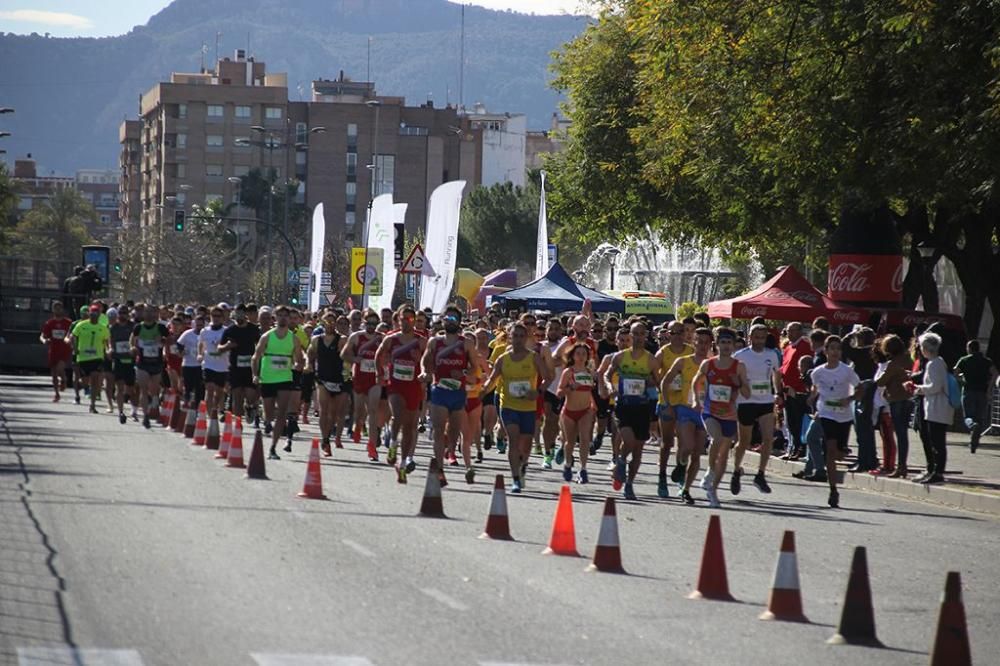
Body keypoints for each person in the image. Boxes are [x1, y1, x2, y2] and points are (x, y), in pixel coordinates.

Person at [483, 322, 549, 493]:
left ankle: (523, 466)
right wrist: (482, 390)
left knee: (525, 444)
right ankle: (515, 479)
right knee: (513, 439)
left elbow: (547, 377)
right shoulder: (502, 359)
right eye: (515, 336)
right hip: (508, 405)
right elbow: (492, 380)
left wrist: (538, 391)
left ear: (526, 338)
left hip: (528, 407)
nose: (518, 339)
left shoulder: (533, 357)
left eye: (522, 336)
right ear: (510, 337)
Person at [693, 327, 750, 508]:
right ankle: (709, 471)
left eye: (729, 343)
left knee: (724, 456)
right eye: (723, 343)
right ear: (717, 345)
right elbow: (696, 381)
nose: (726, 346)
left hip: (729, 415)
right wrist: (696, 399)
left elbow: (747, 394)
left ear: (733, 346)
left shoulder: (739, 366)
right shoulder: (708, 364)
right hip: (710, 411)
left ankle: (713, 491)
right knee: (716, 438)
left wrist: (737, 382)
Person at [603, 321, 658, 500]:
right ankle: (620, 460)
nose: (639, 337)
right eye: (635, 334)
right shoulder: (620, 357)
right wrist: (610, 386)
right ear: (630, 336)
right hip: (624, 406)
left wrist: (652, 384)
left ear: (646, 336)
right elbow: (606, 374)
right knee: (629, 440)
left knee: (638, 450)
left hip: (642, 408)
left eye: (642, 334)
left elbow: (658, 380)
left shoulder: (650, 359)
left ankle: (629, 484)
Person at [422, 305, 476, 485]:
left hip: (458, 392)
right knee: (438, 430)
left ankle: (449, 450)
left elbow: (475, 367)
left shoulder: (466, 343)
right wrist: (425, 372)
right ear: (443, 320)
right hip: (439, 390)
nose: (450, 322)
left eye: (454, 319)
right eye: (448, 318)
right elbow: (425, 360)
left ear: (459, 322)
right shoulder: (434, 342)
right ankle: (439, 469)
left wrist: (465, 374)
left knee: (453, 433)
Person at [376, 304, 428, 483]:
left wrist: (424, 370)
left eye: (410, 319)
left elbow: (427, 360)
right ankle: (392, 444)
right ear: (398, 320)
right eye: (403, 319)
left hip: (413, 386)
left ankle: (403, 463)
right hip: (395, 384)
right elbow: (378, 355)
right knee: (398, 414)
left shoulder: (421, 341)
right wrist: (380, 373)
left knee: (410, 427)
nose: (406, 322)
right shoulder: (391, 339)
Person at [661, 327, 713, 504]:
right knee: (687, 447)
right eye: (700, 342)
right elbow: (665, 381)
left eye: (706, 343)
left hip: (705, 412)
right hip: (685, 409)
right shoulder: (683, 362)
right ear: (694, 342)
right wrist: (667, 403)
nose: (703, 346)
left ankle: (686, 489)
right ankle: (681, 465)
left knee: (697, 453)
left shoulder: (713, 364)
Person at [809, 335, 862, 507]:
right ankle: (833, 490)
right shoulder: (818, 372)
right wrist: (812, 399)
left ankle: (841, 453)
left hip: (844, 415)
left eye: (838, 348)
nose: (835, 352)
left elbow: (860, 389)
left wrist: (851, 398)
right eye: (831, 348)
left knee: (838, 454)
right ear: (825, 351)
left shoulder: (847, 371)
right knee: (830, 450)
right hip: (826, 413)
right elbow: (815, 389)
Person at [731, 324, 783, 495]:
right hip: (746, 402)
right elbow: (733, 377)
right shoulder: (740, 356)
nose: (760, 340)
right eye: (757, 337)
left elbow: (776, 374)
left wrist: (778, 392)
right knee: (744, 441)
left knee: (768, 438)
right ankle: (736, 470)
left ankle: (760, 474)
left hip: (765, 401)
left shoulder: (772, 355)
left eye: (762, 337)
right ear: (750, 337)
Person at [252, 305, 305, 460]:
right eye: (280, 315)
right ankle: (267, 420)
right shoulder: (267, 336)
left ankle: (273, 448)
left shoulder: (293, 338)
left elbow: (299, 358)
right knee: (270, 414)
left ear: (289, 319)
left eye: (285, 316)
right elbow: (256, 357)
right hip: (267, 378)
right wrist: (255, 374)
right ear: (275, 318)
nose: (283, 318)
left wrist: (299, 365)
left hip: (284, 378)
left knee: (282, 412)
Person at [653, 320, 694, 497]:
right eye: (674, 333)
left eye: (680, 332)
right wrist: (660, 386)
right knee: (667, 443)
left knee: (684, 444)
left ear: (685, 333)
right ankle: (662, 476)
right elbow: (653, 372)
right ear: (668, 334)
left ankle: (681, 477)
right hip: (667, 402)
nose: (677, 336)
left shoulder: (691, 351)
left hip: (685, 403)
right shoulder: (663, 352)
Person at [911, 332, 954, 483]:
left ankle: (938, 471)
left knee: (937, 442)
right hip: (938, 407)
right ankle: (935, 469)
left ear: (925, 348)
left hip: (937, 408)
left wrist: (918, 389)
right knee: (936, 441)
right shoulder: (939, 362)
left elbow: (935, 386)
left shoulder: (933, 364)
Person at [343, 309, 384, 461]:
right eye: (369, 323)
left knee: (372, 410)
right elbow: (344, 355)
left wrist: (383, 365)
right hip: (359, 377)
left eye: (374, 323)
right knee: (359, 410)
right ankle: (358, 425)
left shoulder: (381, 339)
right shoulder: (356, 337)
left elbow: (388, 356)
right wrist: (355, 359)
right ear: (364, 323)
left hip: (374, 379)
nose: (372, 326)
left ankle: (372, 446)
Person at [308, 310, 349, 455]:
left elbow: (347, 356)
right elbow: (310, 354)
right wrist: (308, 365)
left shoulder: (342, 339)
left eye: (332, 322)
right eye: (327, 322)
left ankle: (329, 432)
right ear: (322, 323)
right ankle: (325, 439)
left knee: (334, 413)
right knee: (324, 410)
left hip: (338, 378)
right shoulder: (316, 339)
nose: (330, 325)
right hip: (322, 378)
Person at [556, 343, 597, 484]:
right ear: (572, 356)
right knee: (570, 442)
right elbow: (559, 393)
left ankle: (583, 469)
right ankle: (568, 465)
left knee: (585, 439)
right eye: (578, 353)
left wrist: (593, 404)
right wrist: (571, 387)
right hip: (569, 412)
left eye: (584, 354)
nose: (581, 357)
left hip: (585, 411)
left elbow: (589, 391)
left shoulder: (589, 372)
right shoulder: (569, 372)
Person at [876, 334, 913, 477]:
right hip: (908, 398)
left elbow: (880, 382)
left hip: (896, 399)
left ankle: (901, 466)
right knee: (904, 434)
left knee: (899, 432)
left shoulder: (892, 364)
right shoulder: (908, 360)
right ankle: (903, 464)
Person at [218, 305, 261, 425]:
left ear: (246, 315)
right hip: (235, 368)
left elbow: (260, 344)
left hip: (250, 368)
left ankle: (249, 407)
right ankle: (238, 424)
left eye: (242, 314)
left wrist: (259, 355)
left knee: (251, 396)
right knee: (237, 397)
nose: (239, 316)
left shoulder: (253, 329)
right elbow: (219, 348)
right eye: (237, 314)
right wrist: (228, 346)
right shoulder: (229, 330)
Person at [954, 340, 998, 453]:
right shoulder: (986, 361)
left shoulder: (964, 360)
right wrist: (990, 388)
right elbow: (995, 373)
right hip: (982, 392)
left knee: (968, 416)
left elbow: (955, 372)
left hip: (968, 391)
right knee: (980, 417)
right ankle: (974, 442)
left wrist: (961, 379)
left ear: (969, 348)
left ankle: (972, 426)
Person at [131, 303, 170, 429]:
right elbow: (132, 341)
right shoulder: (138, 327)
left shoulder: (161, 327)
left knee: (154, 389)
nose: (149, 314)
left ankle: (154, 403)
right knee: (143, 388)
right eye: (146, 312)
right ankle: (146, 415)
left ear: (156, 314)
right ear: (143, 313)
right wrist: (133, 348)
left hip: (156, 362)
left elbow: (171, 340)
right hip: (142, 362)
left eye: (151, 312)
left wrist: (162, 342)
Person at [70, 304, 111, 414]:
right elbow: (73, 336)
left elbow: (107, 341)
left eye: (96, 313)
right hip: (83, 357)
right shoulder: (81, 325)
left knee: (95, 380)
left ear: (99, 315)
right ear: (89, 313)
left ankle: (92, 405)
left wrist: (108, 350)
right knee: (85, 381)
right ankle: (83, 388)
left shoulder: (103, 328)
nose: (94, 315)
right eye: (92, 313)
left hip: (97, 357)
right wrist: (74, 348)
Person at [779, 322, 812, 460]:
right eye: (788, 331)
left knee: (799, 422)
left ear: (800, 331)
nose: (790, 334)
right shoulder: (788, 347)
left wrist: (799, 387)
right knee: (790, 422)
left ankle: (800, 448)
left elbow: (806, 368)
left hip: (798, 391)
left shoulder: (804, 346)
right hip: (787, 390)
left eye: (793, 331)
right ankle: (792, 447)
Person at [40, 301, 74, 402]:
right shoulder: (50, 323)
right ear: (53, 310)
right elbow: (43, 335)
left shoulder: (68, 322)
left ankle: (64, 379)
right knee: (54, 374)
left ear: (62, 309)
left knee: (60, 368)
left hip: (64, 349)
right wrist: (44, 340)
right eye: (56, 308)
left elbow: (72, 334)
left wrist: (70, 340)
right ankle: (56, 394)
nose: (58, 310)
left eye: (59, 308)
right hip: (53, 349)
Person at [108, 307, 137, 424]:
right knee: (119, 387)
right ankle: (121, 412)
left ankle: (126, 398)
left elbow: (137, 339)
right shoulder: (113, 327)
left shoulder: (133, 326)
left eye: (125, 313)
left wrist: (134, 348)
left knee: (130, 388)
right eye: (120, 313)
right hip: (118, 360)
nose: (122, 315)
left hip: (130, 360)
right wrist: (109, 349)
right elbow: (109, 341)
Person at [199, 306, 229, 416]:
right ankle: (209, 414)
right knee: (210, 390)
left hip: (222, 365)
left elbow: (230, 345)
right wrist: (199, 354)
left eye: (218, 316)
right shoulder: (204, 331)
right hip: (208, 364)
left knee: (219, 392)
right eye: (213, 316)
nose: (215, 318)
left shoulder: (226, 331)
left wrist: (222, 346)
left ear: (222, 318)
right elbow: (201, 344)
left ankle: (215, 407)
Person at [177, 314, 205, 411]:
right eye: (197, 325)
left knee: (199, 387)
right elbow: (179, 343)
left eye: (201, 325)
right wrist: (181, 352)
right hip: (188, 363)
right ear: (194, 324)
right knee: (188, 386)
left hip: (200, 365)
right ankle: (187, 402)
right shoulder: (187, 334)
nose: (199, 327)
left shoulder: (205, 334)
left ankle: (197, 406)